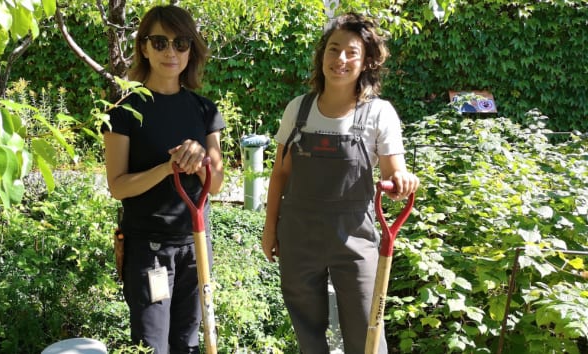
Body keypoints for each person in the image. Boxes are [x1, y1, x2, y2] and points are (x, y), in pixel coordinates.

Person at [261, 13, 419, 354]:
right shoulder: (298, 110)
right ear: (322, 55)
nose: (341, 60)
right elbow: (280, 175)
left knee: (367, 331)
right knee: (308, 330)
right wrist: (270, 228)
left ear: (366, 62)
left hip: (355, 238)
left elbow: (394, 176)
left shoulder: (379, 114)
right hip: (298, 234)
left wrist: (401, 180)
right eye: (334, 50)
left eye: (351, 53)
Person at [101, 5, 225, 353]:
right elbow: (117, 186)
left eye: (181, 43)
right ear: (143, 47)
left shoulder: (205, 110)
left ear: (191, 49)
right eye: (159, 42)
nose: (171, 52)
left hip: (196, 245)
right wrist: (167, 167)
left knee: (188, 342)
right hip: (149, 251)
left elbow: (215, 184)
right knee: (151, 345)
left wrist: (200, 162)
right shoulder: (123, 112)